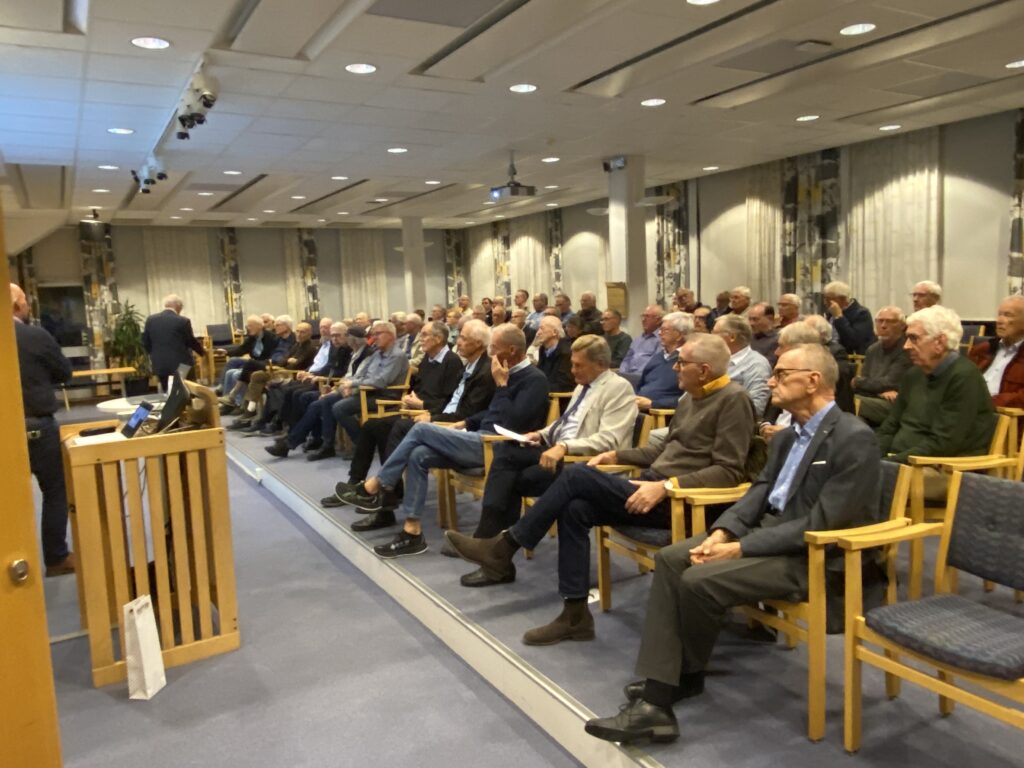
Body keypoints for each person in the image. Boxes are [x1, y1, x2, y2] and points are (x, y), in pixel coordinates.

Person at [582, 343, 881, 745]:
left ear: (813, 381)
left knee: (698, 578)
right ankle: (681, 677)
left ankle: (658, 700)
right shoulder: (787, 437)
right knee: (672, 558)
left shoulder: (853, 438)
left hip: (811, 554)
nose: (771, 382)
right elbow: (758, 492)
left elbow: (823, 523)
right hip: (767, 534)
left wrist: (740, 548)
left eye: (781, 374)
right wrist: (724, 531)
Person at [445, 334, 756, 644]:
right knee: (575, 508)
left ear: (703, 370)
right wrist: (617, 455)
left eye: (681, 362)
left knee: (576, 475)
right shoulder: (689, 398)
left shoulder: (734, 399)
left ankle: (504, 547)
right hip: (651, 486)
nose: (674, 367)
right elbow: (665, 451)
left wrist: (666, 486)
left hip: (682, 502)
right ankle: (575, 615)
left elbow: (729, 471)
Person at [339, 324, 549, 558]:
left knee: (421, 430)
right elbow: (490, 413)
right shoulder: (503, 371)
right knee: (418, 454)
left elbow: (514, 423)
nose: (490, 353)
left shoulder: (534, 379)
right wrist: (465, 422)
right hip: (478, 436)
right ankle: (412, 531)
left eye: (494, 348)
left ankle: (375, 486)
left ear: (511, 350)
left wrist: (501, 386)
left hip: (498, 447)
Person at [461, 335, 638, 585]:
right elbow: (565, 424)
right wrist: (540, 434)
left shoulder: (618, 388)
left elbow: (609, 440)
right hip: (562, 455)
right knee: (508, 462)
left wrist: (564, 447)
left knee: (508, 465)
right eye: (572, 364)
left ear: (600, 364)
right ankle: (494, 555)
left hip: (587, 465)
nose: (572, 370)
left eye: (578, 365)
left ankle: (489, 548)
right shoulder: (582, 386)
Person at [876, 305, 995, 500]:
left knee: (864, 480)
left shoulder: (964, 377)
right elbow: (890, 426)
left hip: (944, 469)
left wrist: (888, 463)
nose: (906, 346)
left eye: (914, 338)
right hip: (904, 461)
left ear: (939, 342)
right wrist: (874, 454)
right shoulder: (914, 374)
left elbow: (943, 443)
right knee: (845, 467)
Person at [11, 283, 75, 576]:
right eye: (25, 300)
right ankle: (56, 558)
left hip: (6, 431)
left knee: (9, 496)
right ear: (16, 305)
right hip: (38, 426)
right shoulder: (35, 336)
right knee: (54, 492)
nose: (28, 305)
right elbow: (64, 372)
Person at [852, 306, 913, 427]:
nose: (883, 326)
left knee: (849, 401)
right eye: (880, 321)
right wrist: (878, 392)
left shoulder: (907, 349)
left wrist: (857, 381)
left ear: (902, 326)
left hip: (894, 405)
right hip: (872, 399)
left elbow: (890, 383)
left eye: (890, 321)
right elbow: (865, 385)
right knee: (855, 416)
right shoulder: (872, 349)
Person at [969, 295, 1024, 408]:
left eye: (1008, 315)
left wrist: (989, 402)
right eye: (999, 314)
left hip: (1001, 413)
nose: (999, 321)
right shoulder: (981, 349)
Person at [713, 314, 772, 417]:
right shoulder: (713, 358)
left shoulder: (756, 365)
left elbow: (755, 408)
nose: (710, 337)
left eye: (715, 333)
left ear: (732, 337)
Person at [141, 293, 205, 384]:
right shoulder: (183, 321)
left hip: (160, 364)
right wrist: (202, 352)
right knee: (184, 389)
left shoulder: (150, 320)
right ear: (178, 306)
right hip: (181, 366)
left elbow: (145, 342)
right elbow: (190, 341)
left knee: (166, 389)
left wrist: (155, 355)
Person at [217, 315, 277, 409]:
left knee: (235, 374)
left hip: (264, 364)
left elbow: (272, 357)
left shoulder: (271, 337)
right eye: (247, 326)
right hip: (253, 363)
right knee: (230, 368)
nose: (248, 328)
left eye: (250, 326)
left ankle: (239, 405)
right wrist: (227, 352)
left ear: (259, 326)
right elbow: (241, 350)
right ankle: (227, 401)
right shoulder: (251, 338)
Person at [634, 312, 691, 411]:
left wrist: (653, 404)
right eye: (660, 329)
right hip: (639, 408)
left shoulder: (689, 361)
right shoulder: (658, 357)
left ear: (679, 335)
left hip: (662, 414)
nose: (659, 333)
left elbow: (688, 399)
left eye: (665, 330)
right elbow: (641, 385)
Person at [823, 280, 875, 355]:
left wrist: (839, 317)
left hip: (851, 357)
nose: (825, 302)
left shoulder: (862, 314)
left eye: (828, 299)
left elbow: (853, 341)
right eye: (824, 299)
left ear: (843, 299)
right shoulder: (829, 314)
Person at [617, 305, 664, 384]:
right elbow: (626, 359)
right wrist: (622, 374)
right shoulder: (637, 339)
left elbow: (654, 364)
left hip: (643, 378)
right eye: (643, 316)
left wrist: (630, 377)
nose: (643, 319)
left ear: (658, 320)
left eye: (647, 316)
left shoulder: (661, 340)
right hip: (627, 377)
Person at [534, 315, 574, 392]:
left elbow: (564, 386)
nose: (537, 333)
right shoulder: (542, 349)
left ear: (554, 332)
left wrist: (536, 388)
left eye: (542, 328)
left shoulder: (566, 353)